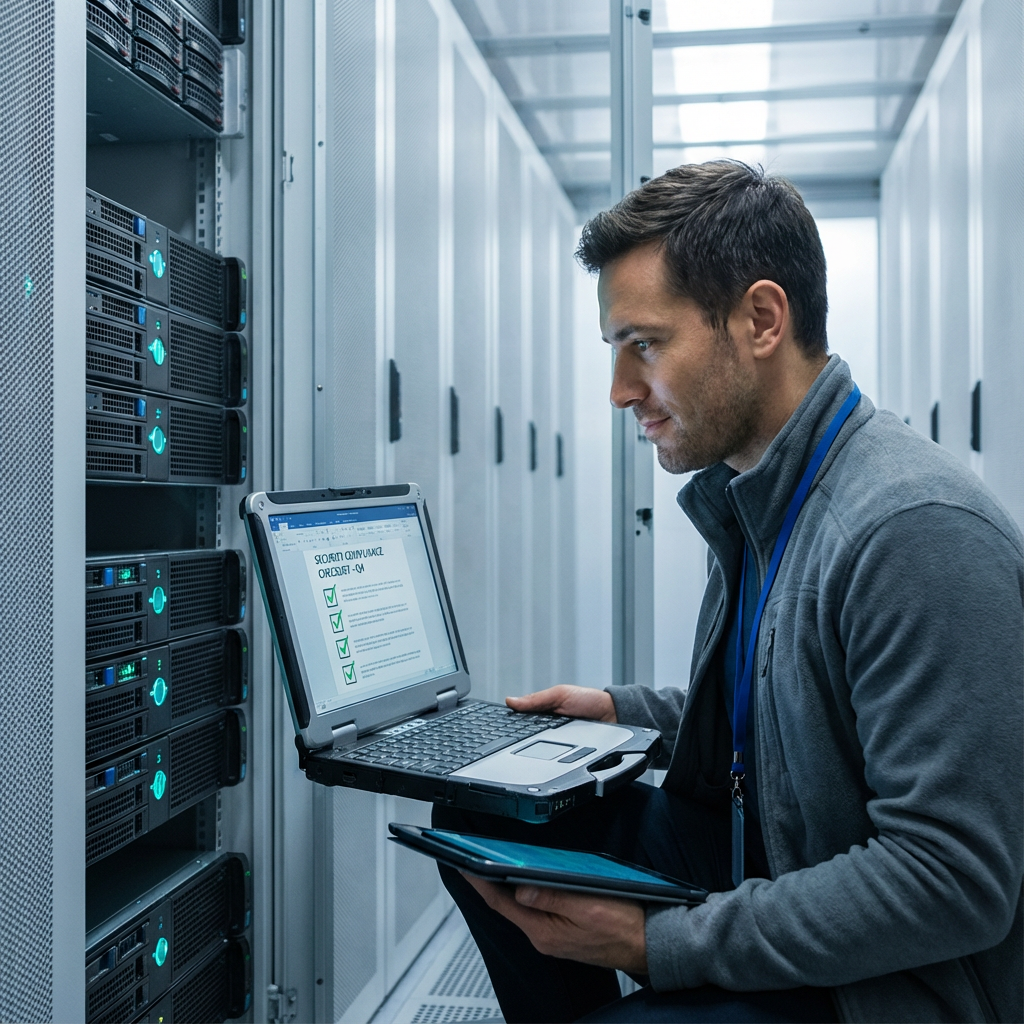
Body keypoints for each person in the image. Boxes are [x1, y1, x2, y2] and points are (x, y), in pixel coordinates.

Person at [433, 161, 1024, 1023]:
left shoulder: (910, 529)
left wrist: (654, 945)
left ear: (760, 319)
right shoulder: (762, 491)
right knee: (485, 816)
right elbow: (800, 717)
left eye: (646, 344)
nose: (620, 391)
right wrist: (628, 713)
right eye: (615, 351)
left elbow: (951, 880)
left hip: (894, 987)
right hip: (781, 856)